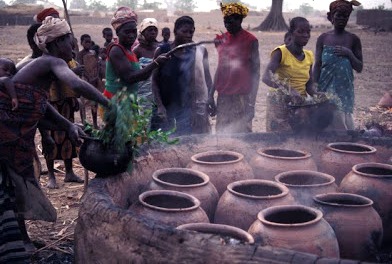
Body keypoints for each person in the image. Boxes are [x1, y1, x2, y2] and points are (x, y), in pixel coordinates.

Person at [0, 17, 111, 261]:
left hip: (14, 138)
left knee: (15, 185)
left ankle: (19, 240)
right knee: (10, 186)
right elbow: (75, 83)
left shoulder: (44, 66)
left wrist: (69, 125)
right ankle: (17, 243)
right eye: (69, 39)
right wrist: (107, 103)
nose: (73, 43)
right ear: (58, 41)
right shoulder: (52, 61)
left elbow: (40, 107)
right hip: (5, 136)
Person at [151, 16, 213, 135]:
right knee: (162, 143)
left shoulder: (195, 51)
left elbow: (199, 81)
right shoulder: (163, 51)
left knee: (184, 142)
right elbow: (154, 81)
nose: (189, 35)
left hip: (185, 110)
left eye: (191, 32)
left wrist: (197, 108)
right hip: (165, 108)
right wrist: (160, 106)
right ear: (175, 31)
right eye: (184, 31)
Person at [209, 2, 260, 134]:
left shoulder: (251, 41)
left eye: (230, 22)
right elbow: (220, 69)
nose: (227, 25)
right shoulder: (222, 39)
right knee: (222, 134)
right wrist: (210, 95)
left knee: (242, 135)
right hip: (224, 96)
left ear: (240, 20)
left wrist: (251, 104)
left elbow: (256, 73)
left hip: (242, 97)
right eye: (225, 21)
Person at [313, 0, 363, 131]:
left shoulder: (353, 39)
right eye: (338, 15)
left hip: (344, 88)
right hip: (325, 85)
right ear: (331, 17)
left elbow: (359, 67)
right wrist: (314, 85)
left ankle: (343, 144)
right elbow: (317, 64)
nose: (342, 19)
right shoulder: (323, 38)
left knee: (342, 118)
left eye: (345, 16)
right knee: (328, 116)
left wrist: (349, 54)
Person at [262, 17, 317, 132]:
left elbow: (309, 84)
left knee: (296, 139)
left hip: (299, 104)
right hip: (279, 103)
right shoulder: (281, 52)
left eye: (308, 32)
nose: (305, 35)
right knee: (279, 139)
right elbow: (266, 77)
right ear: (291, 33)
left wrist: (318, 96)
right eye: (300, 31)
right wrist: (288, 88)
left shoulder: (309, 56)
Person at [103, 7, 168, 101]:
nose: (131, 35)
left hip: (127, 101)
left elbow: (143, 76)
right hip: (115, 103)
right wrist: (155, 63)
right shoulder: (116, 50)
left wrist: (155, 63)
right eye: (127, 32)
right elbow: (129, 77)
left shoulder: (130, 52)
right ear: (117, 32)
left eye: (133, 31)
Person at [132, 18, 160, 119]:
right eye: (149, 30)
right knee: (145, 120)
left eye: (155, 30)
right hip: (143, 92)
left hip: (158, 91)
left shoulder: (159, 49)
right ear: (143, 32)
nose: (153, 32)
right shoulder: (137, 51)